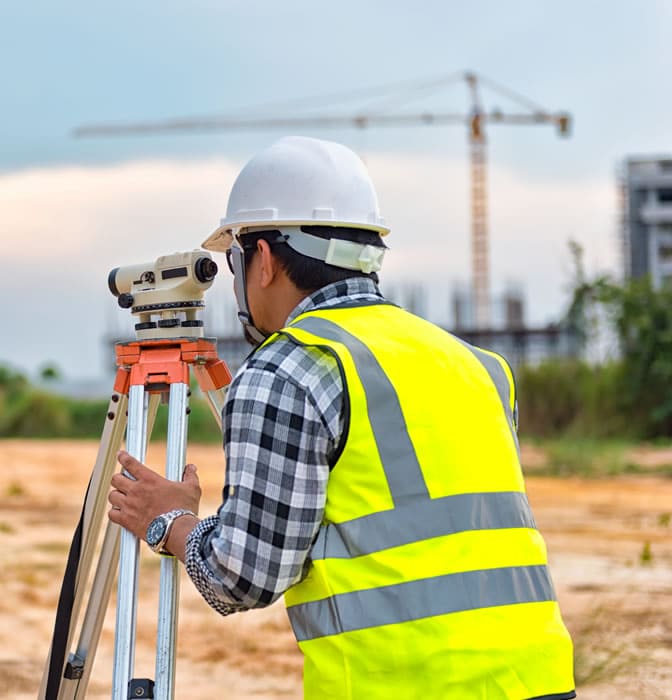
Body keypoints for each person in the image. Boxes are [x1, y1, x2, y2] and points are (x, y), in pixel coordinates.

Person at [106, 136, 575, 699]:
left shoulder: (288, 368)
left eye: (236, 259)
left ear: (263, 260)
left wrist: (170, 522)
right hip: (537, 680)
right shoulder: (476, 364)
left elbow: (242, 578)